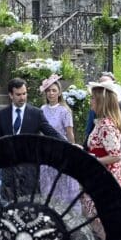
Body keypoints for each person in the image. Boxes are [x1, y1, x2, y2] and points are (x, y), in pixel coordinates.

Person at [83, 81, 121, 239]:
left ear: (101, 101)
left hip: (109, 176)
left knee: (100, 217)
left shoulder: (106, 125)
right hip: (100, 174)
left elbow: (116, 155)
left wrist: (92, 160)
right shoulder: (101, 122)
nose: (91, 101)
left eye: (93, 98)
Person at [38, 75, 80, 204]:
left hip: (61, 151)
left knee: (61, 184)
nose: (51, 93)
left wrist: (72, 151)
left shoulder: (64, 111)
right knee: (47, 184)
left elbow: (69, 133)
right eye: (48, 90)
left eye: (54, 90)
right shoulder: (42, 109)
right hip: (46, 152)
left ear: (59, 92)